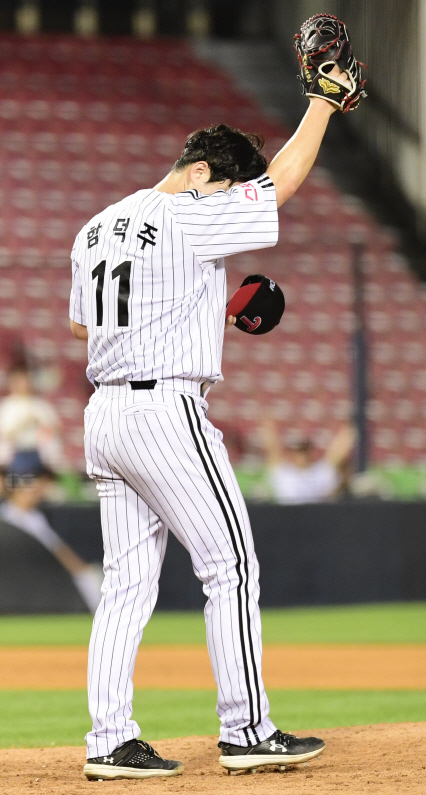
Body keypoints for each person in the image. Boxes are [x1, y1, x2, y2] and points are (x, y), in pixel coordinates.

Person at [68, 52, 362, 780]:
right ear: (200, 172)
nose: (233, 204)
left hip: (104, 411)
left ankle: (109, 739)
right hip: (166, 411)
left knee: (126, 583)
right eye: (227, 187)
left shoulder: (97, 226)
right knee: (230, 563)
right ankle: (247, 729)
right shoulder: (184, 211)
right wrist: (323, 102)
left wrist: (202, 315)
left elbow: (85, 328)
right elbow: (282, 182)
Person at [0, 449, 103, 612]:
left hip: (41, 584)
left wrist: (83, 570)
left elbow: (58, 551)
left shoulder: (34, 517)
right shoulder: (8, 516)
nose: (44, 486)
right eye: (40, 480)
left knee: (90, 577)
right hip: (22, 587)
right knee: (89, 578)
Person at [261, 417, 355, 504]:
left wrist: (351, 426)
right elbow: (273, 449)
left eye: (305, 451)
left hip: (315, 517)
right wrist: (268, 425)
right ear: (293, 454)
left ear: (311, 452)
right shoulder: (284, 474)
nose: (302, 456)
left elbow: (337, 452)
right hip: (288, 517)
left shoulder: (320, 472)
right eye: (299, 452)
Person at [0, 363, 65, 471]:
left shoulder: (41, 405)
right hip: (15, 455)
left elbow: (56, 430)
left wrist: (41, 425)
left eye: (24, 380)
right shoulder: (6, 406)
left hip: (41, 453)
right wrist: (24, 423)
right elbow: (5, 436)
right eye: (18, 381)